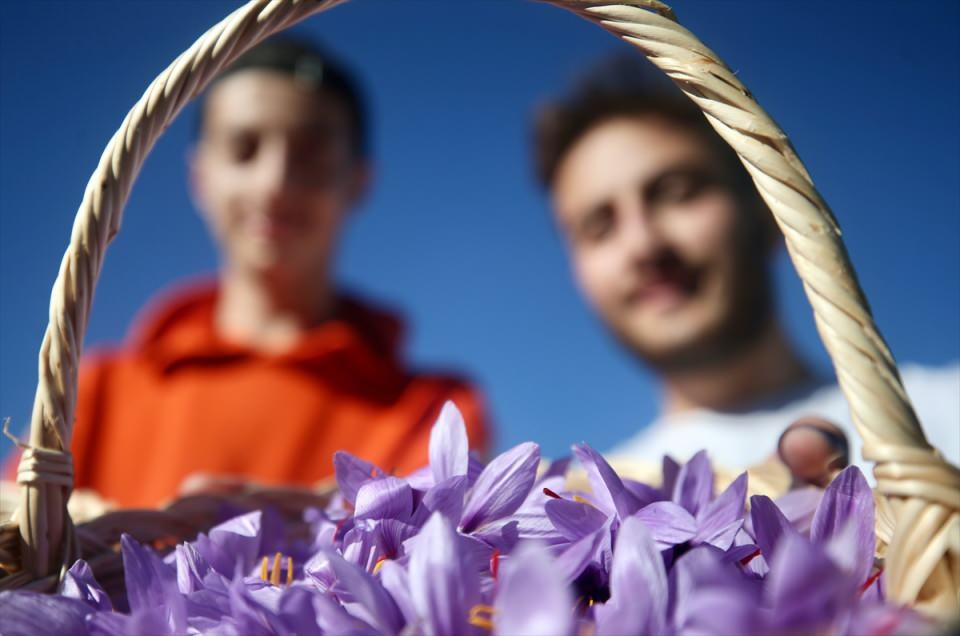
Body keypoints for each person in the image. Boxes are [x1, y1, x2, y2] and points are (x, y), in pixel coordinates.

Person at [5, 38, 491, 508]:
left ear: (358, 181)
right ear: (200, 176)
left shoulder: (433, 409)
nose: (274, 181)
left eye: (311, 155)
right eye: (244, 148)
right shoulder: (98, 391)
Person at [532, 57, 959, 477]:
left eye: (676, 192)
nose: (644, 244)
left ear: (766, 210)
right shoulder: (591, 505)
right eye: (599, 227)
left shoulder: (946, 411)